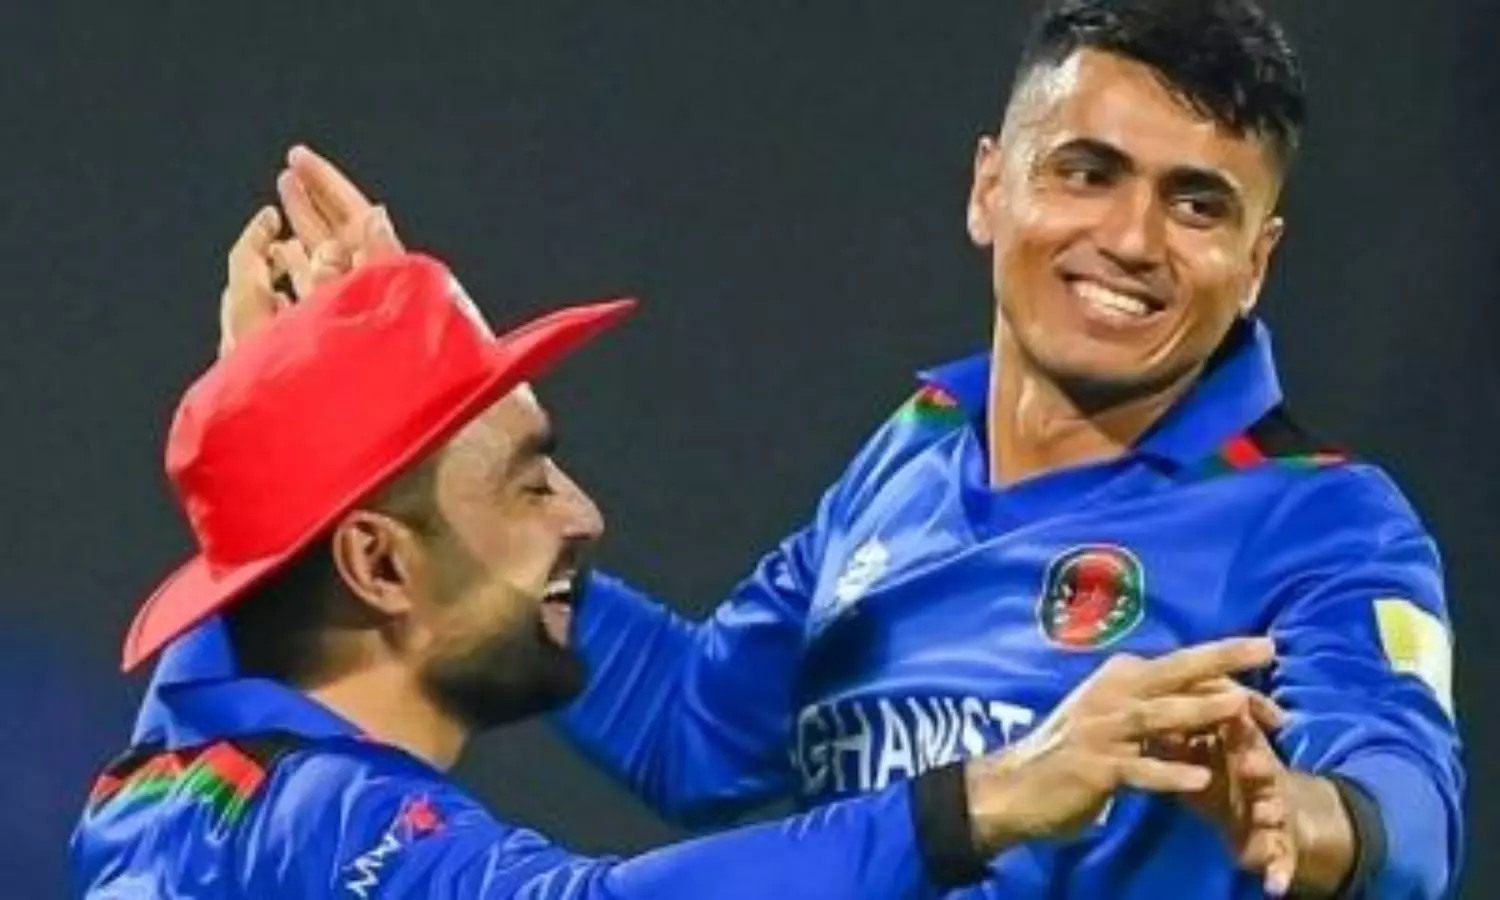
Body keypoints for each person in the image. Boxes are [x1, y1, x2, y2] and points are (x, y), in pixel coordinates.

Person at [217, 2, 1465, 896]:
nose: (1133, 239)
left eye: (1198, 204)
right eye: (1087, 172)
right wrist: (420, 472)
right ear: (989, 189)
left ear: (1257, 261)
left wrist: (1312, 818)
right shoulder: (910, 458)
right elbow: (700, 731)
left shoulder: (1318, 517)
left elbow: (1408, 790)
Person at [70, 224, 1287, 897]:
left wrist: (286, 402)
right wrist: (985, 798)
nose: (584, 515)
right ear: (378, 566)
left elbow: (259, 585)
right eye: (529, 481)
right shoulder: (325, 827)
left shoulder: (166, 779)